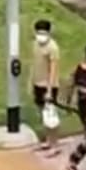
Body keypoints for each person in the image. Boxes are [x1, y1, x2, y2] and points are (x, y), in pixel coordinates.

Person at [29, 19, 60, 153]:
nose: (40, 35)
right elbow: (34, 64)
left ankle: (55, 144)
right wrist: (31, 82)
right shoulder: (35, 44)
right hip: (37, 83)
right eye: (38, 32)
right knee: (43, 114)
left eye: (43, 32)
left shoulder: (53, 48)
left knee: (51, 116)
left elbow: (53, 70)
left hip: (49, 86)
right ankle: (48, 141)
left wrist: (49, 90)